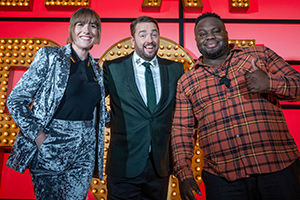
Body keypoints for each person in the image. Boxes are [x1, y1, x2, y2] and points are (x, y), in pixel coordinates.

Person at [171, 12, 300, 200]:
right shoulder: (187, 81)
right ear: (196, 39)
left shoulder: (259, 55)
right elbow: (181, 131)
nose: (210, 36)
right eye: (203, 33)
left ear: (226, 33)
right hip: (223, 180)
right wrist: (184, 173)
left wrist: (270, 83)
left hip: (279, 169)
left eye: (216, 31)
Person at [6, 8, 109, 200]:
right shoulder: (50, 57)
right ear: (72, 29)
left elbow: (96, 111)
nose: (86, 30)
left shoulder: (98, 69)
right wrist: (39, 136)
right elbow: (16, 100)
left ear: (97, 33)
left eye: (92, 26)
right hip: (51, 145)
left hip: (84, 153)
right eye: (81, 24)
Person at [103, 16, 184, 200]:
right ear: (133, 40)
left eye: (154, 34)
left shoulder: (175, 69)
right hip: (123, 165)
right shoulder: (113, 68)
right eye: (143, 34)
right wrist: (109, 120)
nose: (150, 40)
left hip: (159, 167)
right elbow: (92, 102)